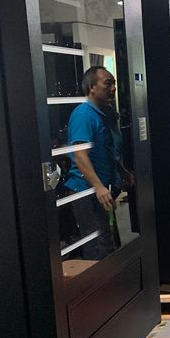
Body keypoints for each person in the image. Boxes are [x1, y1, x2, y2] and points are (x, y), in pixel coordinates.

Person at [64, 66, 133, 260]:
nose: (113, 88)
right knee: (98, 247)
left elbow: (108, 149)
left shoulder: (105, 115)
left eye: (114, 84)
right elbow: (80, 154)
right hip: (86, 191)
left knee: (109, 243)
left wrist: (123, 171)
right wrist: (98, 187)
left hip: (103, 189)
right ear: (91, 87)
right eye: (107, 83)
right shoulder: (84, 114)